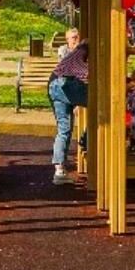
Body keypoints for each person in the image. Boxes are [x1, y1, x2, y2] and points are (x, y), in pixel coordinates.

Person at [48, 27, 90, 184]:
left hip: (54, 85)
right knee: (101, 106)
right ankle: (86, 140)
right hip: (65, 85)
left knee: (64, 129)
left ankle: (59, 171)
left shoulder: (72, 53)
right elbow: (85, 74)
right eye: (72, 38)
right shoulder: (80, 53)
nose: (73, 40)